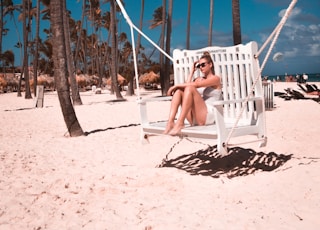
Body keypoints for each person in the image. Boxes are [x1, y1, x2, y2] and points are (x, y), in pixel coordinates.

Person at [163, 51, 222, 135]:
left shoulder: (216, 79)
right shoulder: (199, 79)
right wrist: (192, 72)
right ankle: (171, 121)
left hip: (208, 116)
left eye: (203, 64)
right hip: (196, 115)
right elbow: (186, 87)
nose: (201, 67)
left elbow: (196, 85)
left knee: (189, 88)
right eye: (199, 66)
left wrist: (175, 86)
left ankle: (180, 122)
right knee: (179, 91)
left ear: (210, 64)